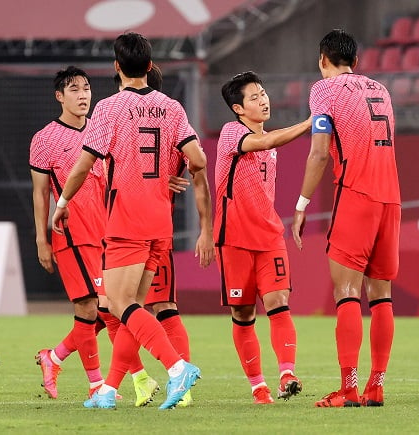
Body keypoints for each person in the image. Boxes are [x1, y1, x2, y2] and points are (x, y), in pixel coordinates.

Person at [51, 32, 207, 410]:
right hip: (159, 220)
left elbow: (85, 162)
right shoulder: (171, 107)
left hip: (126, 218)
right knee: (134, 306)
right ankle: (108, 390)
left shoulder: (109, 108)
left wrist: (63, 201)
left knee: (119, 306)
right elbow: (199, 161)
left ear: (117, 67)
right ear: (150, 67)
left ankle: (177, 367)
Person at [292, 29, 400, 408]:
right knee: (381, 295)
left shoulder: (324, 90)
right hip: (391, 199)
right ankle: (376, 385)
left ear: (323, 59)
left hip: (357, 195)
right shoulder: (381, 90)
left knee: (347, 293)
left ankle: (348, 388)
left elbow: (320, 153)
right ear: (355, 61)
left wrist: (302, 203)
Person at [215, 71, 311, 404]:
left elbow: (270, 141)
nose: (264, 100)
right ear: (238, 108)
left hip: (270, 237)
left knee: (278, 302)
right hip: (235, 239)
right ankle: (258, 386)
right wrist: (310, 123)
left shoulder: (270, 141)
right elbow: (267, 141)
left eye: (264, 93)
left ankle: (287, 373)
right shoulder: (232, 133)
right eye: (254, 97)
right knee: (242, 313)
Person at [30, 66, 107, 400]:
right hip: (71, 234)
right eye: (74, 89)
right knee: (91, 309)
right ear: (59, 96)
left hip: (106, 233)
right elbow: (40, 192)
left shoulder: (102, 132)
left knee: (111, 309)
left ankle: (55, 356)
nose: (83, 95)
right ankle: (97, 385)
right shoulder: (45, 138)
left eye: (87, 88)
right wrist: (41, 238)